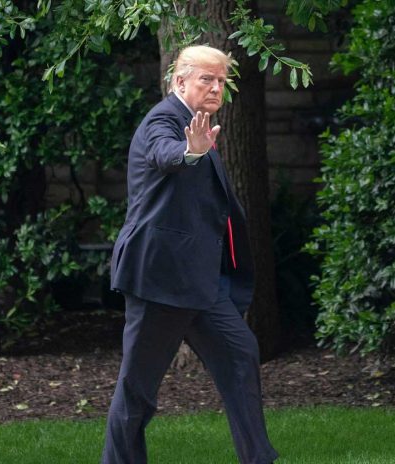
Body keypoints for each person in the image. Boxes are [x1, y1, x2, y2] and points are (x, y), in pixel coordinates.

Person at [101, 45, 278, 464]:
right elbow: (166, 154)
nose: (216, 88)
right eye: (207, 79)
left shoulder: (198, 122)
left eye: (221, 81)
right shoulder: (163, 120)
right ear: (180, 81)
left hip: (200, 280)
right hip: (160, 279)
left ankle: (258, 459)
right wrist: (191, 151)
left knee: (240, 354)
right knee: (138, 389)